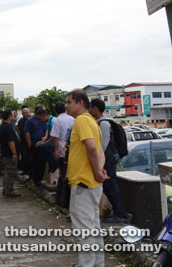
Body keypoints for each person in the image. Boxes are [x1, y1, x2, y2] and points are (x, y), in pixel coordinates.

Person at [66, 90, 108, 267]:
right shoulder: (92, 122)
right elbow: (100, 152)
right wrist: (99, 170)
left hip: (83, 183)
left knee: (85, 232)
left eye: (69, 102)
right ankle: (97, 264)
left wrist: (98, 172)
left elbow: (92, 148)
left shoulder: (82, 120)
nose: (66, 106)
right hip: (92, 184)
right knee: (93, 228)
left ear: (81, 103)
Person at [89, 98, 132, 224]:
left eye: (91, 107)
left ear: (96, 108)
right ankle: (120, 213)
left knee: (111, 186)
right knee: (109, 186)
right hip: (109, 158)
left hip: (108, 159)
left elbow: (102, 145)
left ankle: (121, 214)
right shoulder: (103, 122)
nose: (90, 110)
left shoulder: (104, 124)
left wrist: (97, 161)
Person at [49, 102, 75, 208]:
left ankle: (63, 200)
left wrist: (56, 151)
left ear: (55, 111)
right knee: (69, 175)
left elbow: (55, 137)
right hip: (71, 151)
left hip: (62, 151)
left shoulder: (57, 121)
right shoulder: (72, 119)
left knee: (63, 176)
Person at [24, 106, 48, 186]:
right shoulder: (30, 121)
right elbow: (27, 132)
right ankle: (36, 179)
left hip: (43, 143)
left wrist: (45, 138)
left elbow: (46, 129)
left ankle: (40, 178)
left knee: (42, 162)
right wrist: (29, 143)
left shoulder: (43, 120)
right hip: (34, 144)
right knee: (35, 162)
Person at [0, 109, 21, 197]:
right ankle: (9, 190)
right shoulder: (7, 127)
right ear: (9, 117)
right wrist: (14, 153)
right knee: (11, 172)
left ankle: (6, 189)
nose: (14, 116)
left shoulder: (4, 126)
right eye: (12, 115)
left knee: (8, 172)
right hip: (9, 154)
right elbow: (10, 142)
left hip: (7, 154)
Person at [16, 106, 31, 176]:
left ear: (29, 113)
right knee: (24, 157)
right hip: (23, 143)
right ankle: (25, 171)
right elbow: (20, 131)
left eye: (26, 113)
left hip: (31, 142)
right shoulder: (21, 121)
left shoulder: (32, 120)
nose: (25, 114)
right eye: (24, 113)